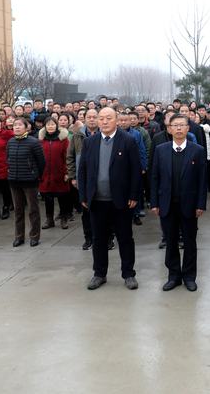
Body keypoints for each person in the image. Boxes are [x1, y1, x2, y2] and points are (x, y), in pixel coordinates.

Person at [78, 108, 143, 290]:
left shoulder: (128, 140)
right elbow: (82, 170)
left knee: (125, 238)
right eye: (101, 118)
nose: (104, 122)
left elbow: (136, 170)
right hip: (97, 200)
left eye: (109, 118)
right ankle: (99, 273)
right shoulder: (89, 142)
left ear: (116, 121)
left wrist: (134, 195)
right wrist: (83, 195)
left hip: (121, 200)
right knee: (99, 239)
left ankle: (129, 274)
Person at [150, 113, 207, 292]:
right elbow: (155, 177)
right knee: (171, 242)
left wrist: (201, 204)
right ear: (169, 128)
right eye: (175, 125)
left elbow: (202, 180)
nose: (179, 128)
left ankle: (189, 276)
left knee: (190, 242)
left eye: (182, 125)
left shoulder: (197, 150)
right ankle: (173, 276)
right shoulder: (161, 150)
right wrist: (154, 202)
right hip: (167, 204)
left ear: (188, 128)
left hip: (190, 204)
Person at [7, 118, 46, 248]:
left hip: (30, 180)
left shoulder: (34, 142)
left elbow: (42, 161)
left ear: (27, 127)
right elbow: (8, 159)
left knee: (33, 210)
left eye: (20, 125)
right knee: (18, 210)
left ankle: (34, 236)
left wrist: (36, 175)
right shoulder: (11, 142)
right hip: (14, 180)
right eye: (15, 125)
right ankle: (19, 237)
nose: (17, 127)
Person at [68, 108, 100, 250]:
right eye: (89, 117)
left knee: (105, 211)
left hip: (102, 179)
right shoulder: (77, 136)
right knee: (86, 211)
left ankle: (108, 237)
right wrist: (73, 176)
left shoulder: (104, 134)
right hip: (84, 179)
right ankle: (88, 237)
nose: (92, 119)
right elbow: (70, 157)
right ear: (84, 119)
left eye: (95, 117)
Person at [38, 117, 72, 230]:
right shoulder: (40, 140)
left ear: (56, 125)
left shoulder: (64, 140)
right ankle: (49, 220)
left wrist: (66, 172)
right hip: (45, 174)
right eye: (48, 124)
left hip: (60, 173)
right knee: (48, 198)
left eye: (52, 124)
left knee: (62, 197)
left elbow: (67, 157)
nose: (50, 126)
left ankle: (63, 219)